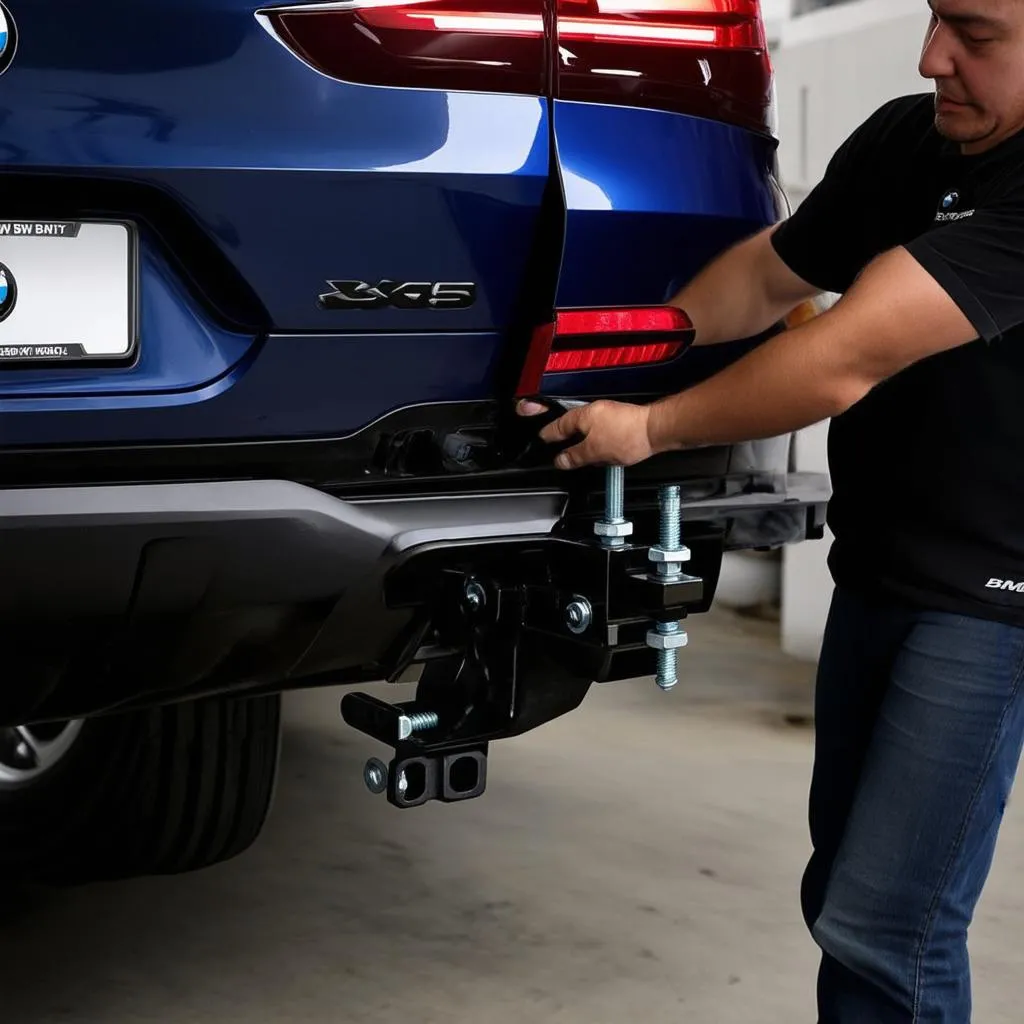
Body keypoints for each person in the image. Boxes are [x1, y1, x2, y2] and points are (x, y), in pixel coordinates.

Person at [519, 2, 1024, 1021]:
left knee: (891, 930)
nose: (933, 57)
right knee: (841, 896)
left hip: (990, 603)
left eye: (974, 32)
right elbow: (762, 276)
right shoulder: (904, 139)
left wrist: (651, 428)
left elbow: (845, 354)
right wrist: (620, 352)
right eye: (931, 19)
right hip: (881, 567)